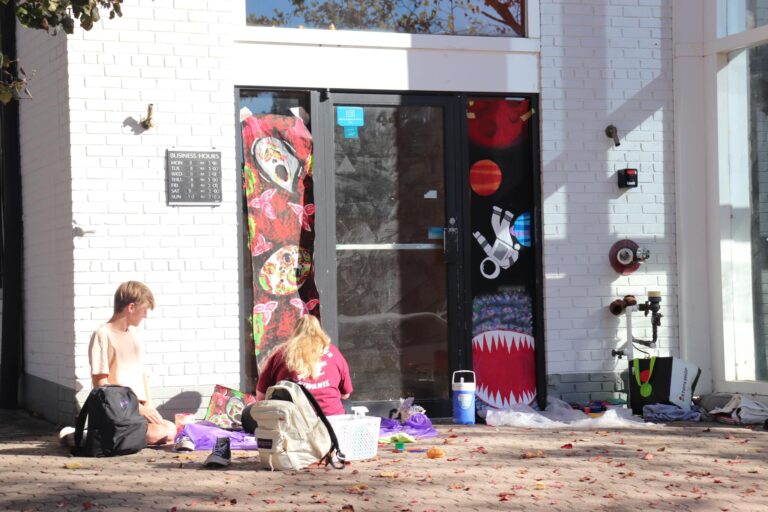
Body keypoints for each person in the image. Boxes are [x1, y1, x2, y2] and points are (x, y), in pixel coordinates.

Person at [84, 281, 176, 445]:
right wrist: (139, 409)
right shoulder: (102, 334)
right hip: (118, 411)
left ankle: (111, 437)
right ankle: (87, 437)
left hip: (136, 410)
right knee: (159, 434)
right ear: (131, 307)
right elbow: (101, 385)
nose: (145, 315)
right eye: (144, 310)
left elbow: (141, 375)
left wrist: (149, 407)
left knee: (170, 428)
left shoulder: (133, 334)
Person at [242, 315, 353, 433]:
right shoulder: (334, 352)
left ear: (294, 332)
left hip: (293, 425)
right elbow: (346, 394)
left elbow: (261, 397)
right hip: (331, 423)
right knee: (345, 404)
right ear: (320, 331)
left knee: (247, 414)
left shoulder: (281, 354)